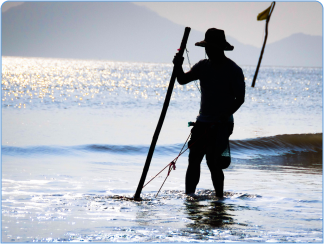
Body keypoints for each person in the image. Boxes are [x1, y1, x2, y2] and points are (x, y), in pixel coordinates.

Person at [173, 28, 245, 198]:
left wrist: (224, 115)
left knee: (213, 163)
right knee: (193, 160)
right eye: (207, 48)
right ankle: (190, 197)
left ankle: (219, 199)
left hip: (222, 123)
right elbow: (182, 79)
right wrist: (178, 66)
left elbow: (240, 98)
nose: (208, 51)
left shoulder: (233, 70)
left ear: (220, 48)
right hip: (202, 122)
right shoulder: (203, 66)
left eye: (212, 48)